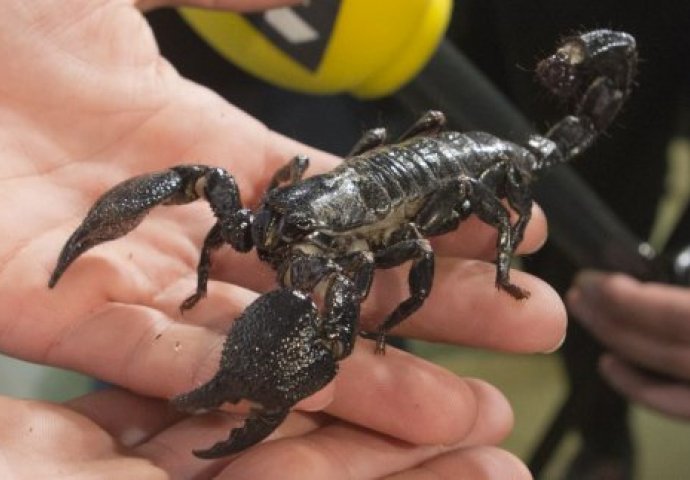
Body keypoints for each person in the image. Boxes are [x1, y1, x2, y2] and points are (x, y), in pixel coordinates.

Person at [0, 1, 567, 478]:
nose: (262, 238)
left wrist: (471, 279)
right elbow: (199, 189)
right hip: (353, 179)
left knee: (409, 250)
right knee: (202, 179)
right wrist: (204, 278)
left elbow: (380, 274)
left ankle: (488, 278)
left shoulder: (350, 256)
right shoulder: (276, 208)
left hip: (448, 172)